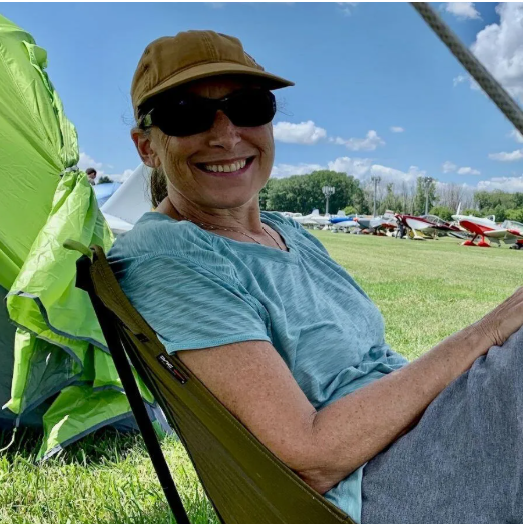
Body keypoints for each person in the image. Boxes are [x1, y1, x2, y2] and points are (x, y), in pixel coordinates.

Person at [108, 30, 523, 524]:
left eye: (249, 106)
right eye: (186, 115)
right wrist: (489, 330)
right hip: (378, 484)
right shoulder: (166, 255)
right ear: (146, 148)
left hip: (424, 434)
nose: (225, 134)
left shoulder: (288, 232)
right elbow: (308, 459)